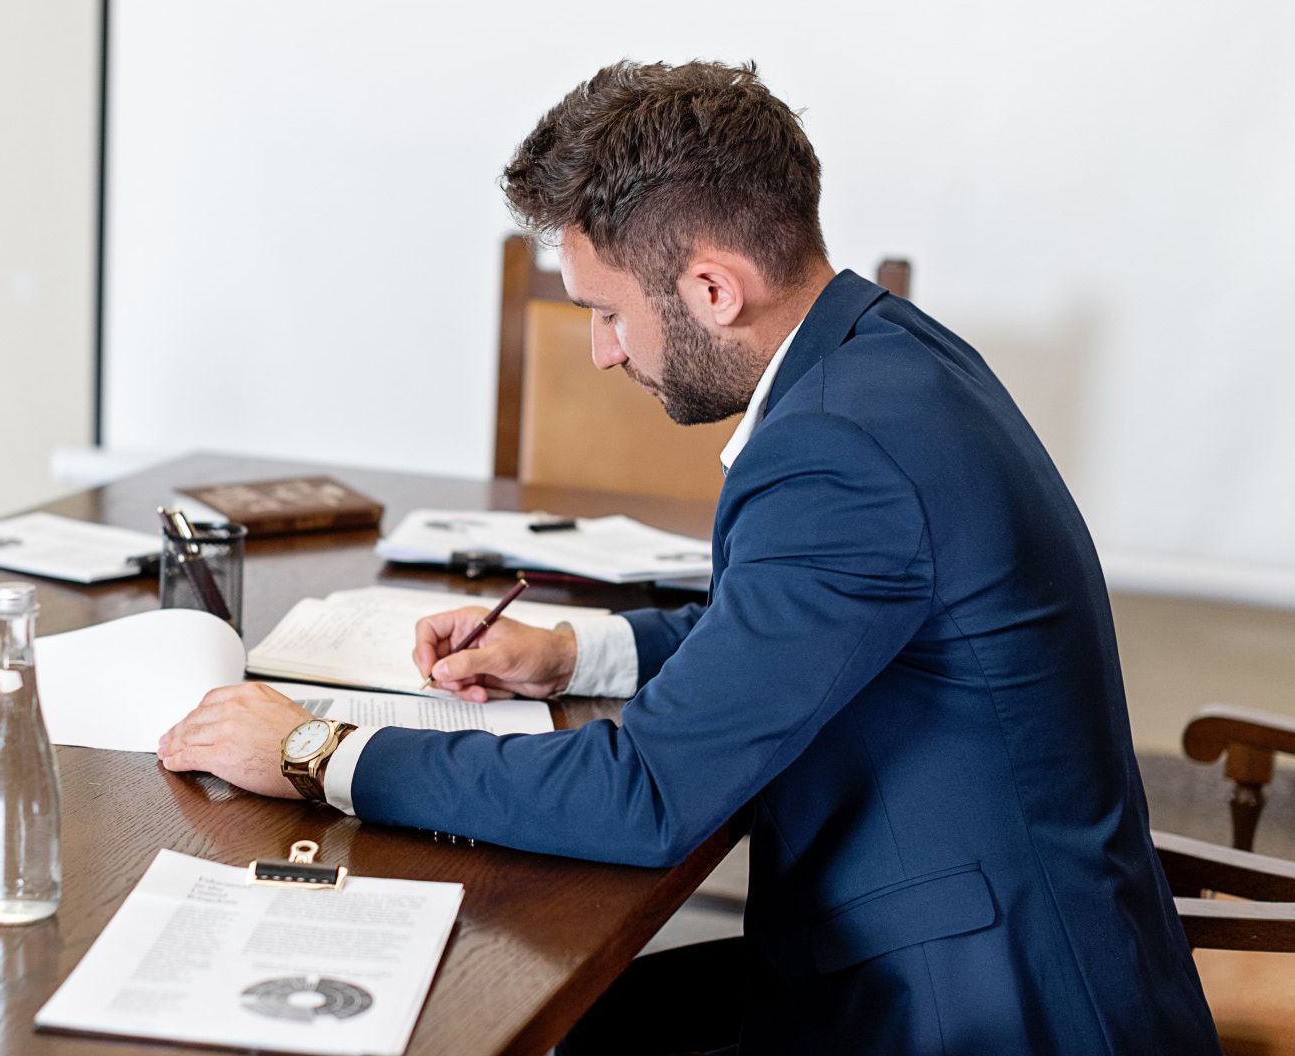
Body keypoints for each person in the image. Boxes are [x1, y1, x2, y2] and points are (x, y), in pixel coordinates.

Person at [158, 60, 1220, 1054]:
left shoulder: (840, 447)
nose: (602, 350)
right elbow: (795, 621)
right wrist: (573, 652)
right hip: (969, 931)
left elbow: (647, 794)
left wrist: (315, 753)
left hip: (987, 1007)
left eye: (607, 313)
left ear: (714, 289)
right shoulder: (884, 351)